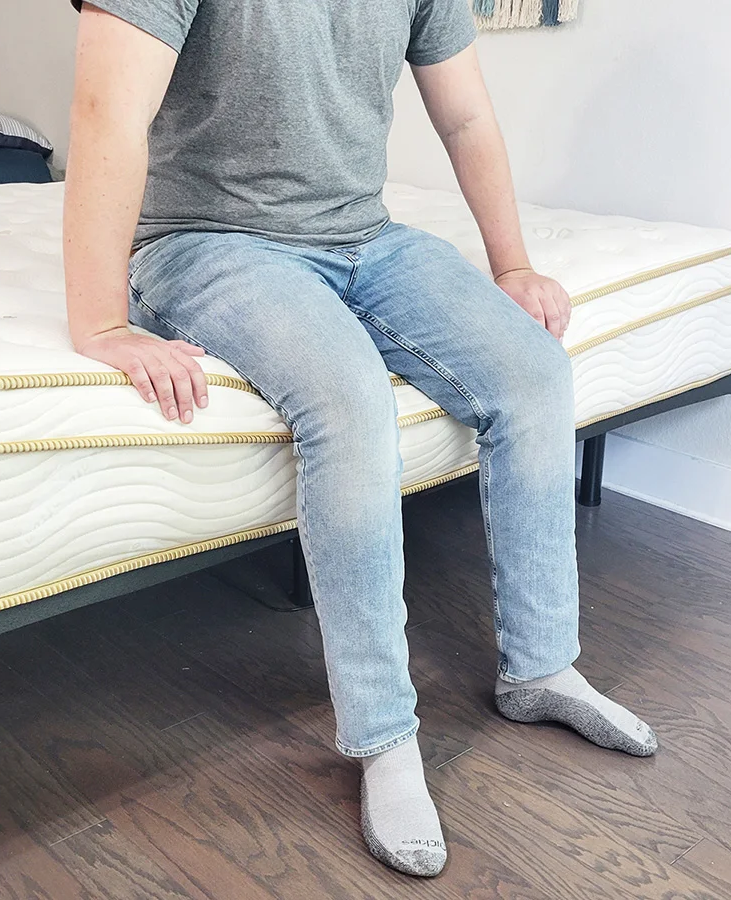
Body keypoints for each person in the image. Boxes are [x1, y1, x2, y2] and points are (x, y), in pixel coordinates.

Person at [63, 0, 657, 878]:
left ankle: (540, 668)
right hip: (207, 242)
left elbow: (463, 113)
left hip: (363, 237)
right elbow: (106, 110)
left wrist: (513, 265)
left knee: (534, 374)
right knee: (348, 399)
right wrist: (102, 322)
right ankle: (384, 737)